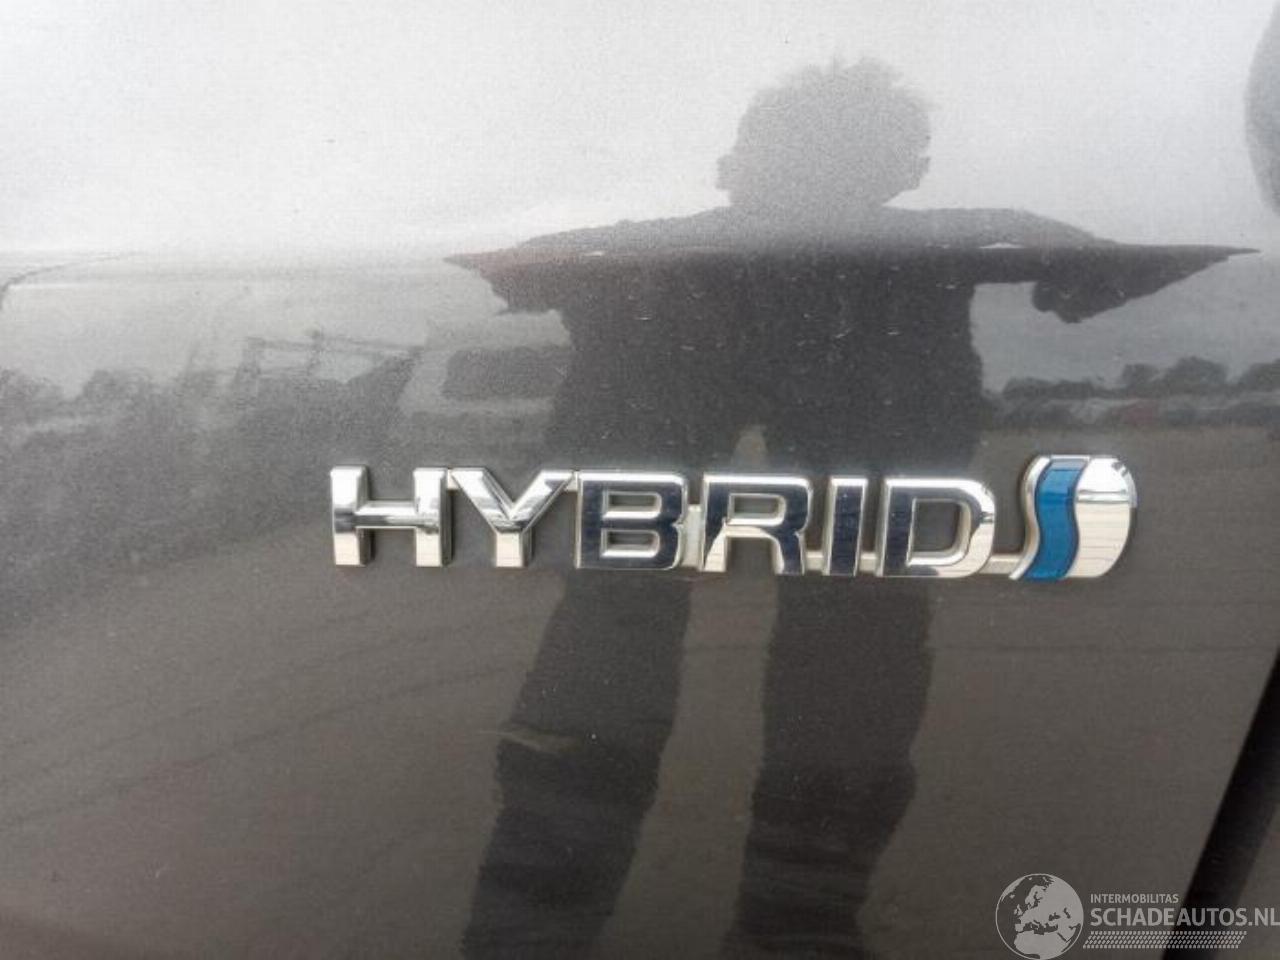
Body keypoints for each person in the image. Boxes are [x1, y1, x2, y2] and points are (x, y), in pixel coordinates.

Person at [454, 59, 1238, 958]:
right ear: (904, 170)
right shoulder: (962, 241)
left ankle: (535, 927)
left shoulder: (616, 253)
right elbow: (1107, 282)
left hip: (681, 417)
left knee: (624, 618)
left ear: (737, 162)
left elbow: (508, 275)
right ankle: (795, 924)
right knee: (849, 625)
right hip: (854, 431)